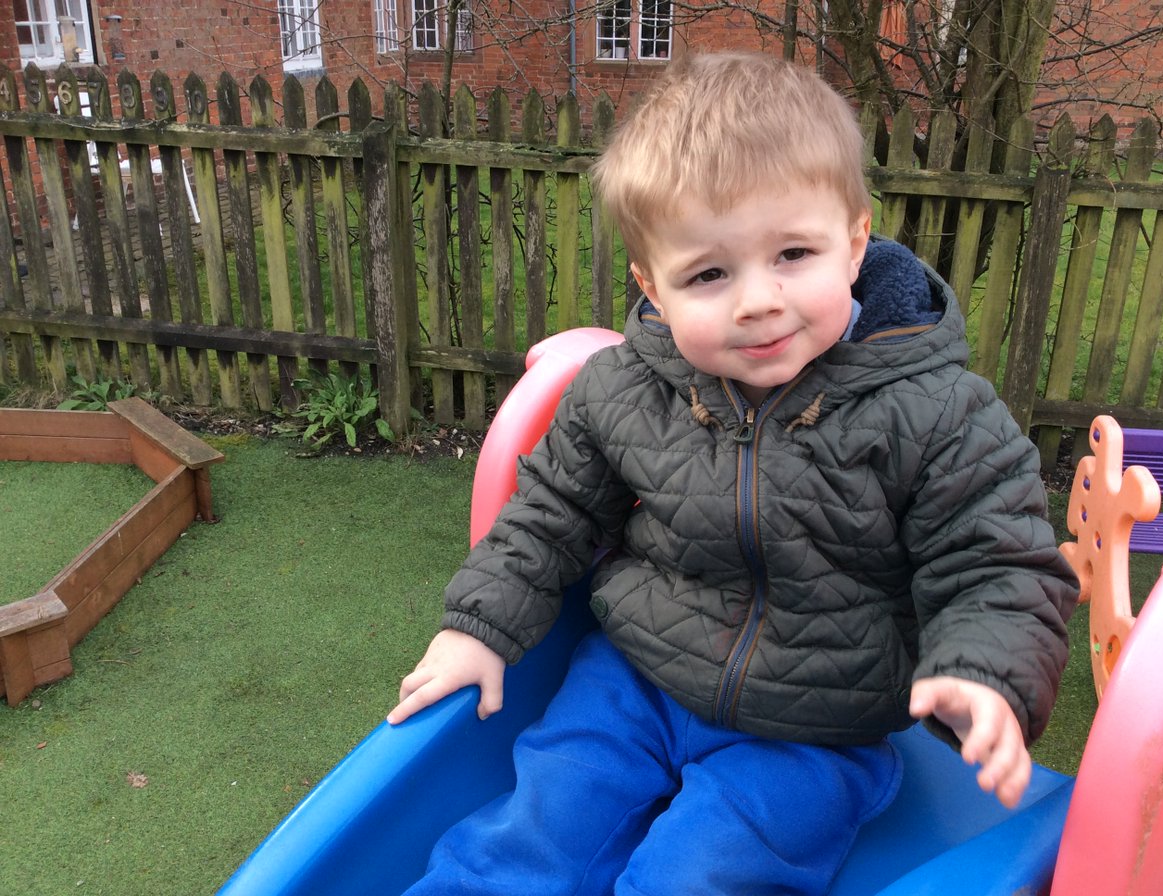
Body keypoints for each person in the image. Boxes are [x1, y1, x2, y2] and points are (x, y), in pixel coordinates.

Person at [387, 51, 1078, 895]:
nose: (757, 299)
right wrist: (478, 625)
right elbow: (551, 509)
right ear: (652, 283)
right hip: (635, 678)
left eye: (793, 253)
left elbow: (996, 559)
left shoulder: (938, 412)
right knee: (536, 829)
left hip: (816, 724)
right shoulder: (625, 388)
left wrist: (983, 673)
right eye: (709, 274)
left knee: (700, 872)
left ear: (855, 241)